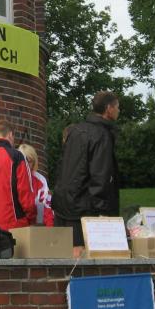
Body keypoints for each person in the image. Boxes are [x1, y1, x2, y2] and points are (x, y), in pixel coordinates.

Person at [52, 91, 121, 258]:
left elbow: (63, 166)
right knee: (82, 258)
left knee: (61, 257)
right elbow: (101, 175)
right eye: (117, 107)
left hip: (63, 203)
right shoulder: (102, 135)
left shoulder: (75, 130)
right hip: (84, 209)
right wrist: (102, 212)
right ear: (109, 108)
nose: (119, 111)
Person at [18, 143, 54, 226]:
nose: (26, 164)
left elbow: (47, 207)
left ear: (34, 162)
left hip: (37, 226)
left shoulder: (40, 180)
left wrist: (50, 229)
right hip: (17, 226)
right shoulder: (12, 178)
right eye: (24, 161)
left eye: (29, 161)